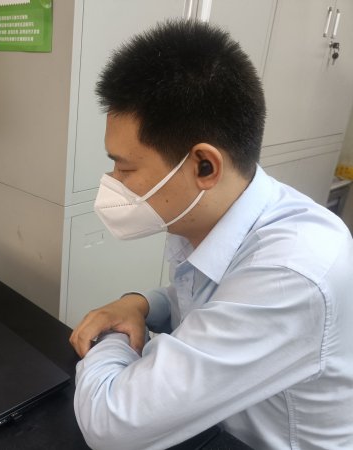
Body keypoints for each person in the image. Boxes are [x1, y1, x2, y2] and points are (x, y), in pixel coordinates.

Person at [69, 19, 353, 450]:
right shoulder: (217, 212)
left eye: (125, 167)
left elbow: (111, 422)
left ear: (204, 165)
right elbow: (207, 297)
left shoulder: (292, 272)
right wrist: (139, 304)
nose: (113, 182)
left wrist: (111, 338)